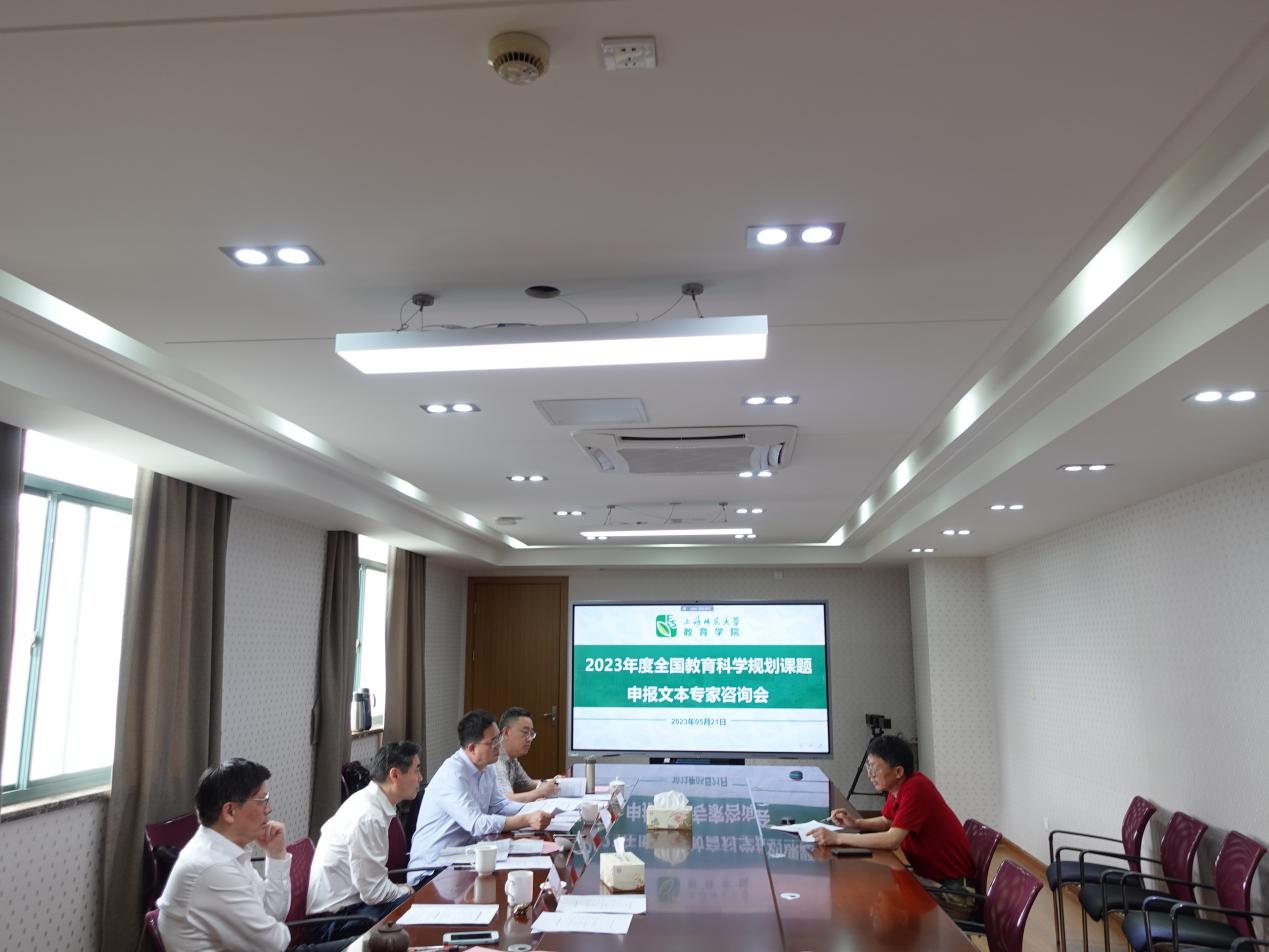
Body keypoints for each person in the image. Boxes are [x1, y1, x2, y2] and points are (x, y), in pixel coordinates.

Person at [157, 758, 348, 952]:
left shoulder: (225, 850)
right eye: (262, 801)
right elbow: (273, 943)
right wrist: (272, 928)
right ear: (230, 811)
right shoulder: (213, 868)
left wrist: (275, 855)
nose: (269, 809)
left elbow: (273, 913)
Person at [809, 734, 975, 916]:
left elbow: (891, 840)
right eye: (869, 766)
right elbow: (886, 821)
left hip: (955, 892)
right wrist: (856, 823)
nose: (870, 774)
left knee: (871, 892)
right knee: (876, 887)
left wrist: (838, 838)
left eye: (875, 768)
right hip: (932, 878)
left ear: (898, 772)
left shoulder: (916, 789)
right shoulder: (899, 788)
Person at [407, 709, 551, 880]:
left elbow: (499, 805)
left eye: (499, 738)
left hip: (464, 857)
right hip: (433, 870)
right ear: (472, 748)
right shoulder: (453, 774)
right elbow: (477, 824)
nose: (499, 745)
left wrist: (539, 808)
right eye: (493, 741)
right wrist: (526, 819)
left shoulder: (487, 766)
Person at [306, 741, 423, 941]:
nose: (420, 778)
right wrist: (405, 890)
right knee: (415, 908)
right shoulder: (368, 816)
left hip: (354, 906)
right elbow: (374, 892)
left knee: (416, 903)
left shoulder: (371, 802)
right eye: (417, 770)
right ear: (395, 775)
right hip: (333, 922)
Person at [493, 706, 560, 803]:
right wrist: (541, 792)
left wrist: (554, 782)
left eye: (531, 733)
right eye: (525, 732)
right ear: (506, 732)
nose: (530, 739)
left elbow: (528, 784)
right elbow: (506, 800)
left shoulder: (512, 758)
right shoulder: (495, 759)